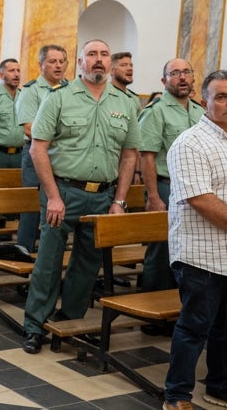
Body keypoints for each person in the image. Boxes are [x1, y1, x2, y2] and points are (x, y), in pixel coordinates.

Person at [22, 39, 141, 354]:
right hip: (63, 192)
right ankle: (35, 325)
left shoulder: (126, 103)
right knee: (48, 262)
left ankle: (70, 318)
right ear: (80, 62)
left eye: (104, 54)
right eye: (92, 55)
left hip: (102, 196)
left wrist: (119, 201)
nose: (99, 60)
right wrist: (53, 197)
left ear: (110, 63)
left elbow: (130, 155)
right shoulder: (59, 98)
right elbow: (38, 148)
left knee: (87, 263)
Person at [162, 69, 227, 410]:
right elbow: (201, 200)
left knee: (224, 330)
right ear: (204, 102)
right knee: (193, 329)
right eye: (220, 97)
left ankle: (218, 388)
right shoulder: (190, 142)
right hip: (200, 253)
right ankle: (177, 395)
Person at [138, 59, 203, 295]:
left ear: (193, 78)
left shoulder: (200, 111)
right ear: (164, 80)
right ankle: (151, 307)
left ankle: (177, 303)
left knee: (189, 248)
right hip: (167, 187)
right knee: (162, 249)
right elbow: (147, 157)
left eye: (186, 72)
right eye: (175, 73)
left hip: (197, 189)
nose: (182, 77)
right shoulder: (156, 111)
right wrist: (153, 196)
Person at [14, 45, 69, 252]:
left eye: (61, 61)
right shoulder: (31, 91)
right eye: (52, 61)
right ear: (41, 65)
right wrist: (60, 139)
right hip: (36, 155)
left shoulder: (69, 89)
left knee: (58, 205)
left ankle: (52, 253)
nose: (58, 66)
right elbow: (29, 128)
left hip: (61, 157)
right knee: (32, 209)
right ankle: (23, 251)